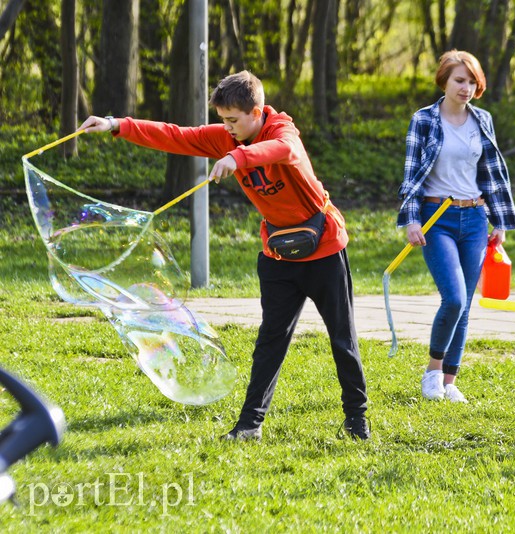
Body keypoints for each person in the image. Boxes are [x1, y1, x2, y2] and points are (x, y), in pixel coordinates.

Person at [79, 70, 369, 441]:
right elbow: (177, 135)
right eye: (223, 121)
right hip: (278, 256)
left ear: (257, 112)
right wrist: (117, 124)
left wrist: (239, 157)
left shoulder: (282, 132)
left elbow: (285, 151)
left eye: (233, 120)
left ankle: (357, 420)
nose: (227, 128)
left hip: (325, 251)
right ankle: (250, 425)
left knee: (342, 339)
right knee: (269, 342)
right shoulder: (227, 137)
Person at [397, 50, 515, 403]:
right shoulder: (424, 120)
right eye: (459, 80)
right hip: (437, 218)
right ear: (444, 81)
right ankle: (432, 374)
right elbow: (410, 176)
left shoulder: (482, 120)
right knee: (453, 298)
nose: (465, 88)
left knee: (466, 305)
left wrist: (499, 220)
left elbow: (491, 174)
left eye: (471, 81)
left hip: (475, 218)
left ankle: (450, 382)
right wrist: (411, 219)